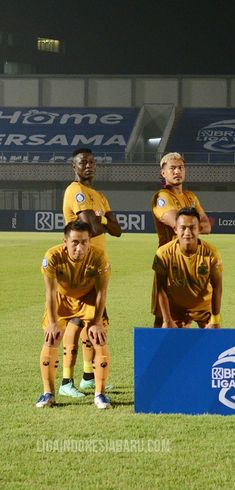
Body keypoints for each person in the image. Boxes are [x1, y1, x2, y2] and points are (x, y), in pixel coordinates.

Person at [60, 148, 121, 396]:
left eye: (92, 162)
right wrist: (103, 222)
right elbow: (92, 227)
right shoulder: (75, 191)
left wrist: (103, 222)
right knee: (76, 320)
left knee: (93, 320)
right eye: (83, 162)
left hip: (97, 266)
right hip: (79, 265)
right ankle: (65, 382)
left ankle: (87, 377)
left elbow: (116, 230)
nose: (89, 166)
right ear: (74, 166)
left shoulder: (99, 195)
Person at [36, 221, 112, 409]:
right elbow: (50, 292)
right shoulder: (52, 256)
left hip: (88, 298)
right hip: (62, 298)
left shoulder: (99, 257)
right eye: (75, 242)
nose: (80, 247)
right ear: (65, 242)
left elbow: (102, 292)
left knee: (98, 338)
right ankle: (48, 394)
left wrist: (96, 322)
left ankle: (100, 395)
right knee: (51, 339)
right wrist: (53, 323)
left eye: (84, 242)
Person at [151, 152, 211, 326]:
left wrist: (187, 227)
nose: (177, 171)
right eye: (173, 168)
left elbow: (207, 226)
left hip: (193, 262)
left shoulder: (190, 197)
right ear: (163, 173)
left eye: (181, 168)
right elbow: (177, 226)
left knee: (206, 318)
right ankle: (158, 353)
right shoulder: (162, 197)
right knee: (167, 320)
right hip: (171, 263)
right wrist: (192, 226)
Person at [153, 207, 223, 328]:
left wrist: (215, 319)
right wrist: (167, 319)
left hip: (203, 307)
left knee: (214, 343)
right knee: (166, 342)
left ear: (199, 229)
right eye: (183, 228)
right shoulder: (163, 253)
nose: (187, 233)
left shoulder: (212, 253)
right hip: (175, 307)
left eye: (192, 228)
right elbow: (161, 288)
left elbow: (217, 287)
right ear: (175, 229)